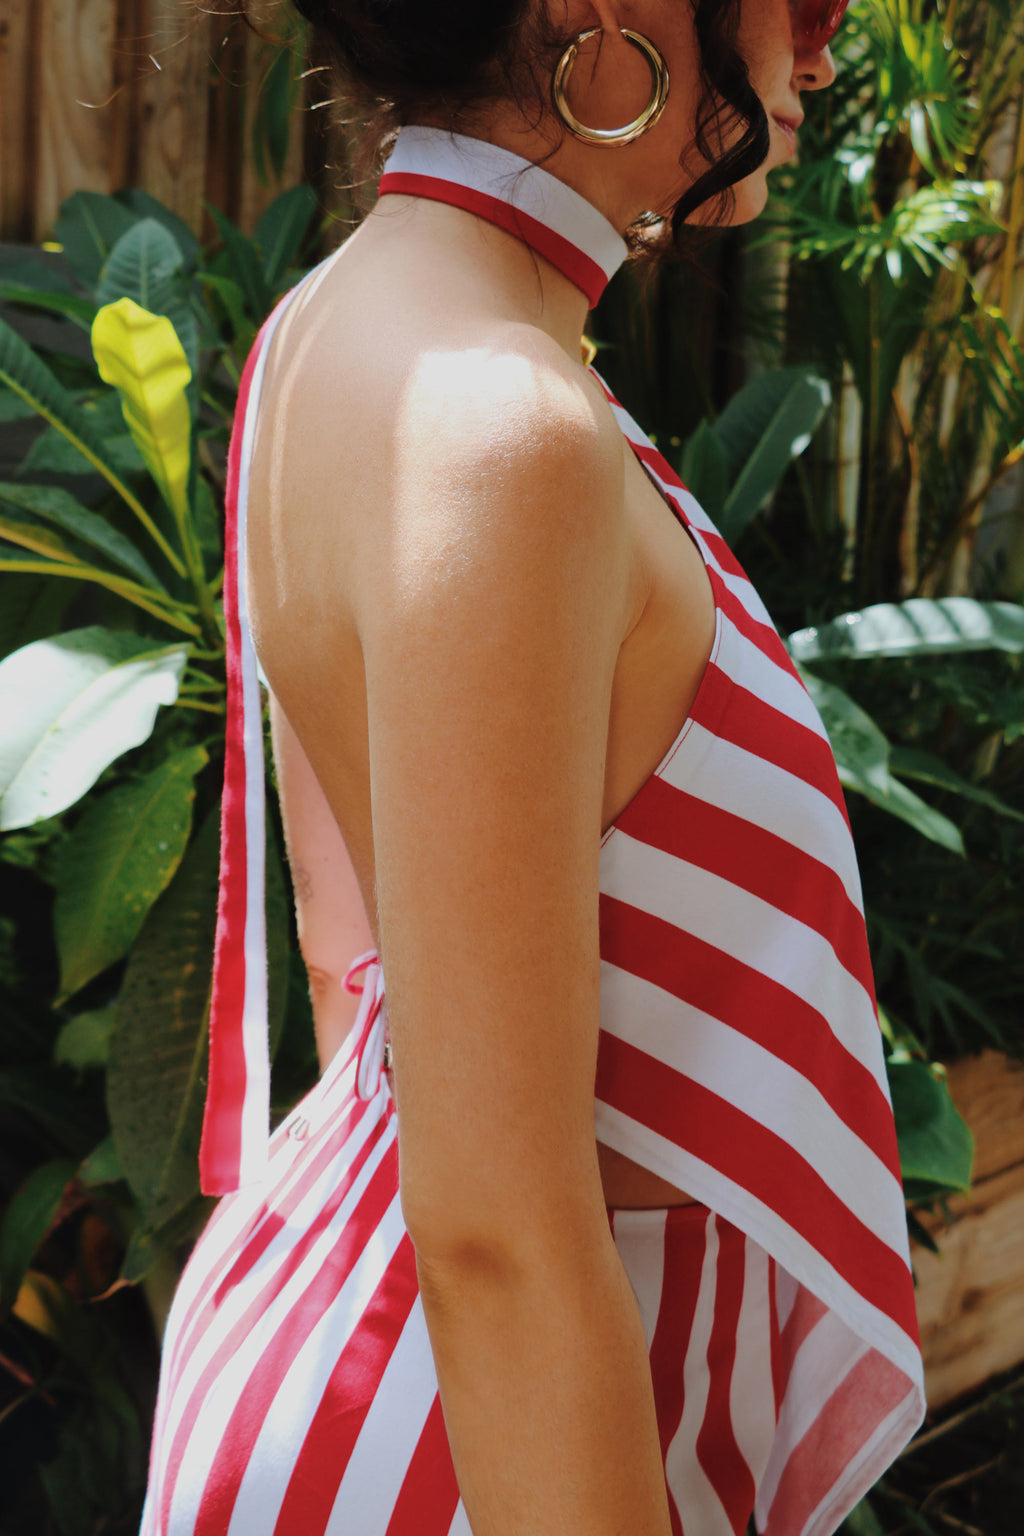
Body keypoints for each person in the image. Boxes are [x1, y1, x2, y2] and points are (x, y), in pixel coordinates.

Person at [140, 3, 925, 1533]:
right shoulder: (501, 429)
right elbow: (498, 1230)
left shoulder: (337, 328)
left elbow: (350, 970)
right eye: (812, 3)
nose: (824, 51)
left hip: (381, 1367)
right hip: (477, 1447)